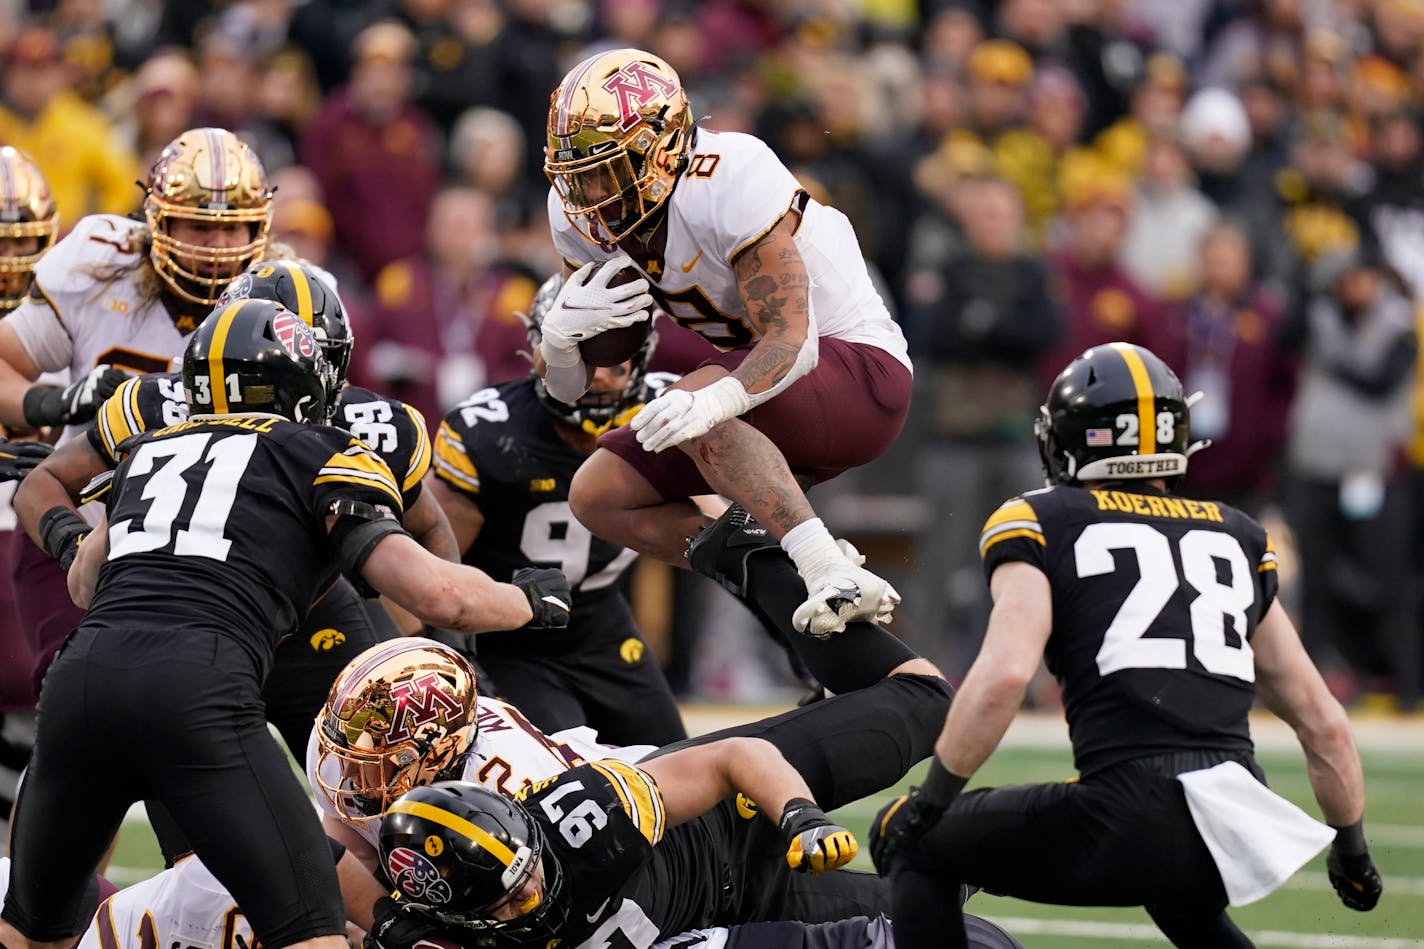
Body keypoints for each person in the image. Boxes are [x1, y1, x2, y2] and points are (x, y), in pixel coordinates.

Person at [0, 298, 571, 949]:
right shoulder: (318, 449)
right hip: (196, 689)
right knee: (311, 926)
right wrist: (527, 599)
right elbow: (436, 591)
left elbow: (83, 582)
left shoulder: (151, 446)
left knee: (32, 931)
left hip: (82, 683)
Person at [869, 343, 1383, 949]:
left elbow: (1006, 676)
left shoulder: (1040, 518)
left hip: (1128, 812)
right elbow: (1322, 721)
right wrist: (1352, 851)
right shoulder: (1237, 534)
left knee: (914, 843)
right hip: (1232, 824)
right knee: (1182, 898)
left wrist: (929, 804)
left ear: (1071, 440)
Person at [12, 259, 454, 759]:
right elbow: (41, 482)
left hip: (309, 618)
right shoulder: (154, 404)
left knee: (380, 777)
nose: (281, 386)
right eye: (255, 371)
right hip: (187, 623)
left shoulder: (373, 424)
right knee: (174, 808)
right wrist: (74, 549)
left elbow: (429, 528)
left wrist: (443, 648)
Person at [539, 48, 912, 637]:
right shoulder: (577, 214)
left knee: (690, 407)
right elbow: (576, 391)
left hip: (858, 372)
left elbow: (795, 340)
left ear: (660, 145)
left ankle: (824, 568)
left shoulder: (729, 171)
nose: (588, 192)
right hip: (760, 397)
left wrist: (710, 403)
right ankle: (786, 573)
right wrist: (559, 346)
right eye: (577, 172)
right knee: (598, 494)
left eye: (606, 168)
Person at [0, 126, 275, 694]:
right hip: (85, 526)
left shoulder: (290, 295)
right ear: (160, 219)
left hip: (220, 552)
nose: (216, 248)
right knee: (78, 696)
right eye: (200, 225)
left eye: (233, 230)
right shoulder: (100, 266)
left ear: (260, 228)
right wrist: (59, 401)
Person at [430, 273, 685, 746]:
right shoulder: (490, 433)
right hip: (508, 634)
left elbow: (727, 536)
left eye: (611, 356)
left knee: (674, 760)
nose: (596, 373)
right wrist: (453, 653)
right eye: (578, 353)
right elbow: (437, 565)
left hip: (602, 626)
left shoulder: (669, 413)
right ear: (541, 353)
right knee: (561, 778)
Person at [370, 748, 863, 949]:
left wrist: (803, 815)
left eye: (531, 874)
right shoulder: (431, 933)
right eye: (510, 901)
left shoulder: (579, 818)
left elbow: (731, 756)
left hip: (727, 858)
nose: (535, 895)